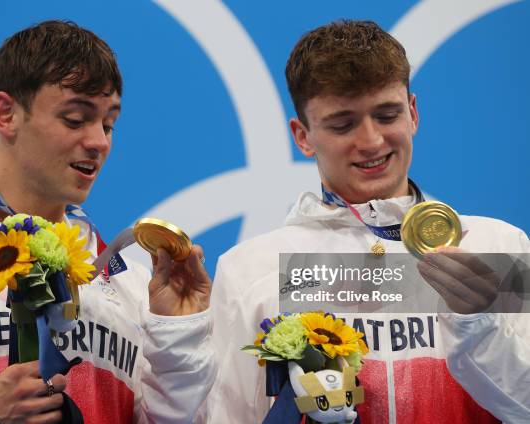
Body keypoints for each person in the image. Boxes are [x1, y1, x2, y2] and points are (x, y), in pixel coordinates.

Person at [199, 20, 529, 424]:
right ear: (302, 136)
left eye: (387, 115)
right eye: (343, 124)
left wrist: (480, 328)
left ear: (412, 113)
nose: (372, 141)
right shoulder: (252, 268)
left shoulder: (498, 246)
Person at [0, 20, 215, 423]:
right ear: (6, 114)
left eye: (108, 124)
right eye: (75, 119)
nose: (99, 142)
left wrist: (178, 334)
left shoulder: (129, 283)